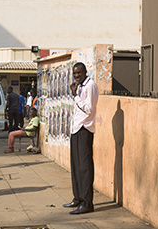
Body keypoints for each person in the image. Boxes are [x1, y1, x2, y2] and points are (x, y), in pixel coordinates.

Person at [63, 62, 99, 214]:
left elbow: (89, 109)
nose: (76, 76)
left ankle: (87, 203)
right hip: (76, 128)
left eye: (79, 73)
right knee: (76, 166)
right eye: (74, 73)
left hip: (85, 129)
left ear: (85, 72)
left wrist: (75, 97)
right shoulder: (79, 86)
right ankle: (78, 197)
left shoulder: (90, 85)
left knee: (84, 167)